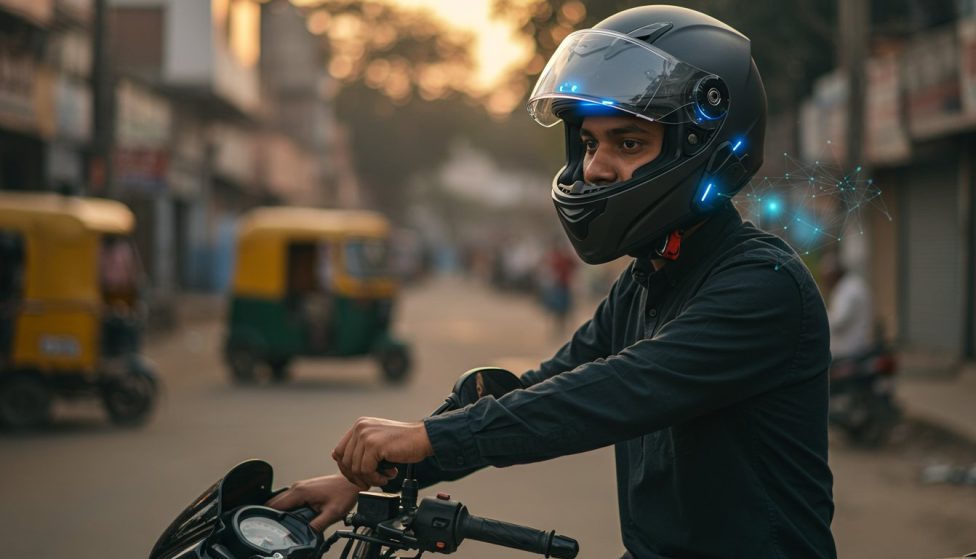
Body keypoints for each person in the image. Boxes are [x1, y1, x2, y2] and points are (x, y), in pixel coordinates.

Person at [269, 6, 836, 558]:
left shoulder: (763, 285)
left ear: (703, 149)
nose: (595, 167)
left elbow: (614, 391)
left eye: (628, 143)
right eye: (590, 143)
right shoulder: (646, 282)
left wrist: (428, 436)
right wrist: (381, 474)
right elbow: (549, 383)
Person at [820, 250, 873, 361]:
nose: (825, 280)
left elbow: (839, 320)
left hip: (847, 352)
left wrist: (819, 316)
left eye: (826, 275)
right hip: (852, 348)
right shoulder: (849, 285)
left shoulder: (848, 289)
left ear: (834, 272)